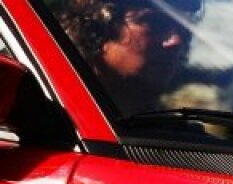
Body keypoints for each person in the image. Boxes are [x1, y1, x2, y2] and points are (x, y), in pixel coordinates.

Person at [52, 0, 203, 116]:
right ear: (98, 26)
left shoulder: (183, 138)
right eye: (155, 23)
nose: (176, 41)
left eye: (184, 31)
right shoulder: (42, 120)